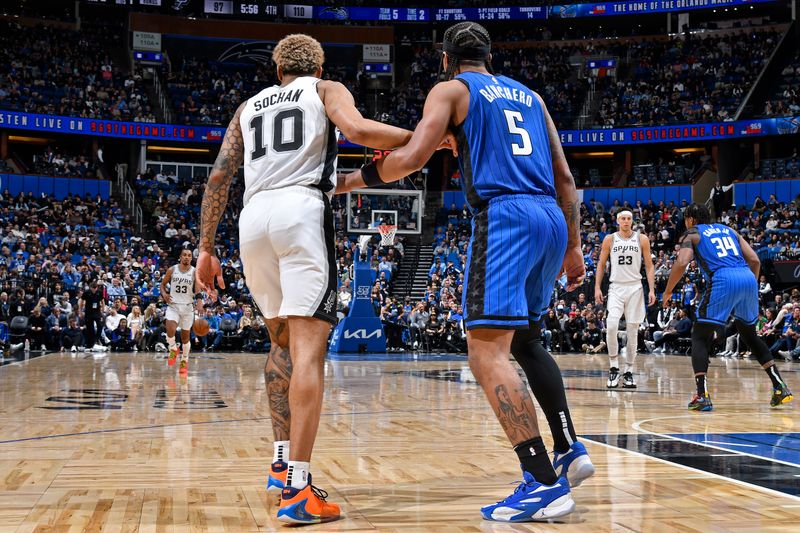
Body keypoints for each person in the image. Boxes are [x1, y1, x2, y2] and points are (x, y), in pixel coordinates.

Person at [337, 22, 593, 522]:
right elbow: (565, 177)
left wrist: (347, 182)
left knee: (485, 350)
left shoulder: (451, 90)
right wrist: (575, 243)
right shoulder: (533, 97)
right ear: (489, 56)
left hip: (505, 217)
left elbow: (411, 159)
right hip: (550, 218)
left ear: (446, 58)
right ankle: (567, 447)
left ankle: (542, 483)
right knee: (527, 339)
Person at [194, 34, 450, 525]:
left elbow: (219, 178)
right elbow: (358, 130)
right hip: (300, 213)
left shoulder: (248, 107)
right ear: (319, 66)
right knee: (310, 352)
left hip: (253, 222)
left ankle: (280, 460)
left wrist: (206, 248)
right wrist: (421, 139)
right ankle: (299, 489)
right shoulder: (325, 89)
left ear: (276, 70)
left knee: (281, 346)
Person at [662, 203, 793, 411]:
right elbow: (755, 260)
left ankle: (702, 395)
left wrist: (668, 291)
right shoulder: (729, 230)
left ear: (689, 219)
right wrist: (749, 286)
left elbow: (681, 262)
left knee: (699, 335)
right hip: (748, 278)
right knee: (750, 335)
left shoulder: (692, 233)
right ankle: (780, 386)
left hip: (723, 278)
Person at [594, 209, 655, 388]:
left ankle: (628, 371)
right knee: (611, 326)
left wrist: (651, 290)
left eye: (629, 218)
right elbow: (601, 263)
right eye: (623, 218)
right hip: (616, 287)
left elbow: (649, 266)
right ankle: (614, 368)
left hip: (635, 286)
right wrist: (597, 286)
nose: (626, 221)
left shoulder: (641, 239)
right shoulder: (610, 239)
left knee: (632, 331)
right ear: (618, 221)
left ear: (632, 221)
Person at [160, 248, 197, 375]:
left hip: (188, 307)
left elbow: (197, 290)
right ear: (180, 257)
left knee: (185, 338)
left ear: (191, 258)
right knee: (170, 329)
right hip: (173, 305)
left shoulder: (194, 272)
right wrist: (164, 293)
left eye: (189, 255)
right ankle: (173, 348)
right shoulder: (172, 269)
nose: (187, 257)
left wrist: (200, 302)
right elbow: (162, 284)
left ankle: (184, 360)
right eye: (184, 255)